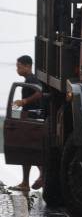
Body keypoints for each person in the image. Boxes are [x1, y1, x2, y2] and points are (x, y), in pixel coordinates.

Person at [11, 55, 44, 191]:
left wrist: (24, 102)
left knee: (28, 151)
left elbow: (39, 92)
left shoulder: (32, 79)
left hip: (31, 119)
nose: (17, 69)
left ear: (27, 66)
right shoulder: (28, 80)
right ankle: (29, 181)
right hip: (28, 118)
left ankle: (36, 178)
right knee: (29, 151)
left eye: (19, 66)